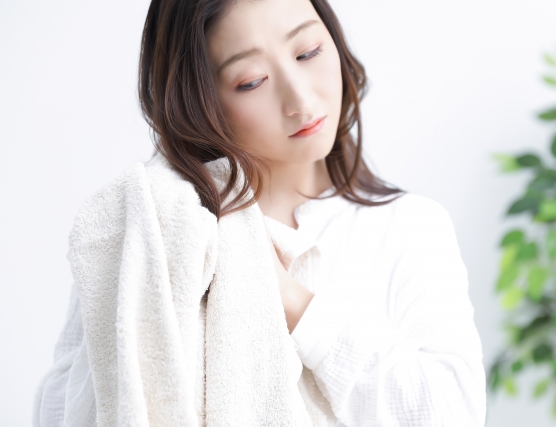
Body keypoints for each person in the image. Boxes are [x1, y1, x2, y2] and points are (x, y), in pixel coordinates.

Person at [33, 0, 486, 425]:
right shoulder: (159, 228)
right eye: (251, 81)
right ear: (199, 101)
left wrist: (291, 300)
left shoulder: (408, 226)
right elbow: (60, 409)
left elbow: (454, 411)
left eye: (308, 52)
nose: (301, 100)